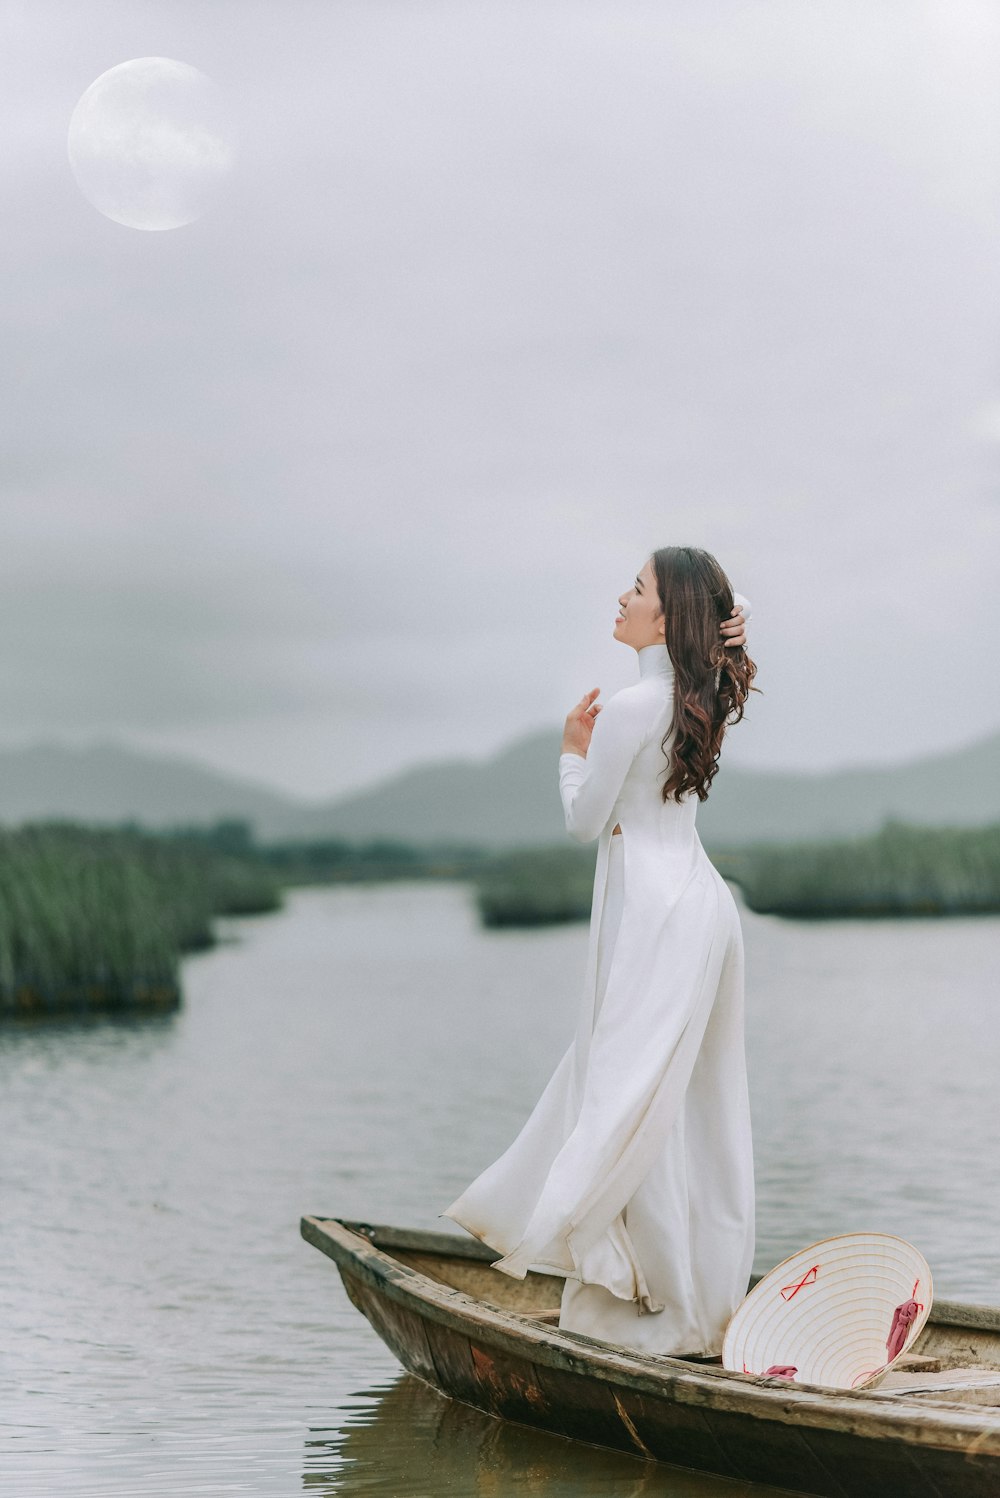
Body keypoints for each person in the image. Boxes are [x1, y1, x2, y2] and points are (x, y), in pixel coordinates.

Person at [444, 546, 757, 1358]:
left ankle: (666, 1307)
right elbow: (728, 628)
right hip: (701, 904)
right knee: (693, 1106)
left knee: (627, 1103)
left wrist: (569, 752)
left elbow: (585, 824)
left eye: (639, 589)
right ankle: (698, 1299)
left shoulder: (630, 705)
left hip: (651, 917)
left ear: (668, 615)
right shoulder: (705, 694)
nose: (621, 597)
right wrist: (735, 617)